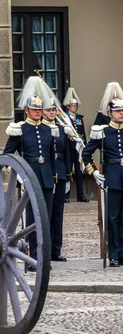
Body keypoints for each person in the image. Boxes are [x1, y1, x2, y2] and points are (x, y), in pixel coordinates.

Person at [82, 82, 123, 267]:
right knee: (112, 219)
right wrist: (93, 172)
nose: (121, 114)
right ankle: (114, 254)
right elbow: (86, 154)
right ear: (110, 114)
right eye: (117, 111)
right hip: (112, 179)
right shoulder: (103, 133)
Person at [4, 76, 59, 271]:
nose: (37, 112)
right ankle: (32, 257)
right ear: (26, 110)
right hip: (29, 176)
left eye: (39, 109)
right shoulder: (20, 130)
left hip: (46, 177)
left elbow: (52, 157)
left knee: (47, 218)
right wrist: (16, 175)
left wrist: (55, 177)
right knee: (32, 221)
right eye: (34, 109)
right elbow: (9, 155)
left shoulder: (48, 130)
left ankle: (44, 258)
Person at [41, 94, 77, 262]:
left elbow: (67, 153)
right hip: (45, 172)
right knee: (44, 213)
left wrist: (68, 176)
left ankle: (56, 249)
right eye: (48, 110)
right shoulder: (39, 129)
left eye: (54, 110)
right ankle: (44, 250)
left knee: (58, 213)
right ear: (42, 112)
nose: (52, 113)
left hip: (60, 173)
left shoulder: (62, 128)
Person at [63, 87, 88, 203]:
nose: (75, 107)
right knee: (68, 171)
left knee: (79, 172)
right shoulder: (65, 118)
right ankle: (66, 195)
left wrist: (85, 146)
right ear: (68, 106)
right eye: (73, 105)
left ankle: (80, 195)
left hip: (78, 148)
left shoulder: (79, 118)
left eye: (76, 105)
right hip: (68, 147)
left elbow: (83, 133)